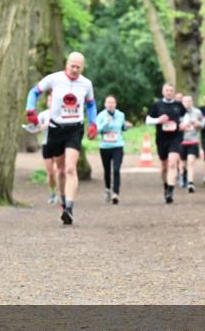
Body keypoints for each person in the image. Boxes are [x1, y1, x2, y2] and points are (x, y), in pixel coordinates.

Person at [26, 52, 97, 225]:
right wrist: (30, 111)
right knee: (61, 170)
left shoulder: (86, 83)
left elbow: (91, 104)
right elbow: (34, 92)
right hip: (56, 129)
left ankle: (70, 208)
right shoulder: (54, 79)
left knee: (71, 168)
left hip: (75, 129)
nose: (74, 69)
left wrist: (93, 123)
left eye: (78, 67)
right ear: (67, 64)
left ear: (82, 67)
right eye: (72, 65)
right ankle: (63, 201)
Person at [146, 83, 186, 204]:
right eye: (167, 90)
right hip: (162, 138)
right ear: (163, 92)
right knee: (164, 167)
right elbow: (148, 120)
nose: (169, 92)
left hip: (176, 137)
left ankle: (170, 191)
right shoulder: (157, 105)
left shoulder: (179, 105)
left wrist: (184, 124)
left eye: (171, 90)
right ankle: (166, 187)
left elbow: (186, 116)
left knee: (172, 163)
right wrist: (158, 120)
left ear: (173, 92)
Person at [96, 95, 133, 205]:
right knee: (107, 170)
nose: (110, 104)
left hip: (118, 145)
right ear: (105, 104)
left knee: (116, 170)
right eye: (108, 102)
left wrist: (127, 126)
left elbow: (122, 128)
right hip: (105, 146)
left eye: (112, 102)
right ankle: (108, 189)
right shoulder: (101, 115)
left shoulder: (121, 115)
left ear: (115, 104)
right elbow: (97, 130)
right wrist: (105, 123)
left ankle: (116, 193)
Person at [179, 95, 205, 193]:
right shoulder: (178, 112)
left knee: (191, 162)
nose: (187, 103)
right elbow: (174, 125)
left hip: (193, 140)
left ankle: (191, 183)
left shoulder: (197, 112)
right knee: (182, 163)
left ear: (192, 102)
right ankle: (183, 175)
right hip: (181, 141)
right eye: (185, 101)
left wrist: (198, 124)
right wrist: (181, 127)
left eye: (189, 101)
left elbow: (203, 124)